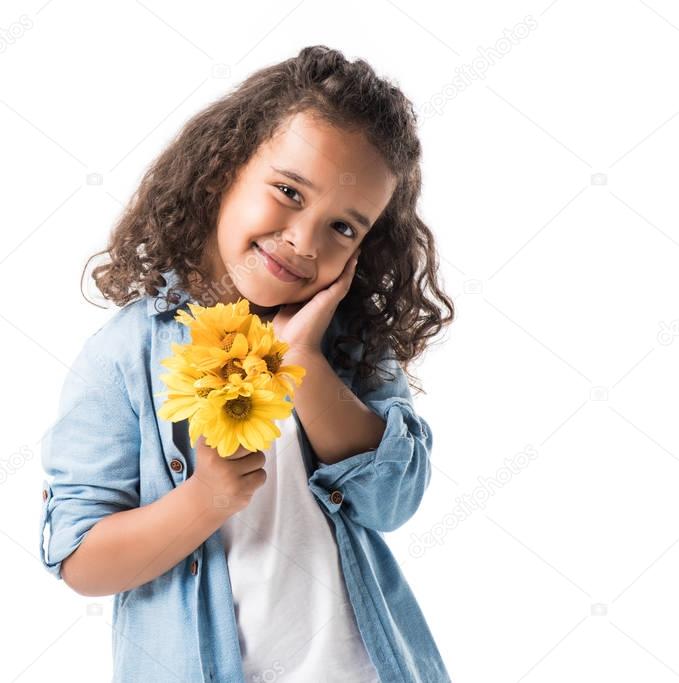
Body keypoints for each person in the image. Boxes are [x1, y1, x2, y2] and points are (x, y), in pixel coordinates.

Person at [38, 44, 455, 682]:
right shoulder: (125, 355)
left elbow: (393, 502)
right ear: (223, 170)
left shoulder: (349, 345)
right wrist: (204, 500)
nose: (303, 239)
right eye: (289, 191)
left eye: (344, 227)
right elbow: (80, 559)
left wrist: (303, 360)